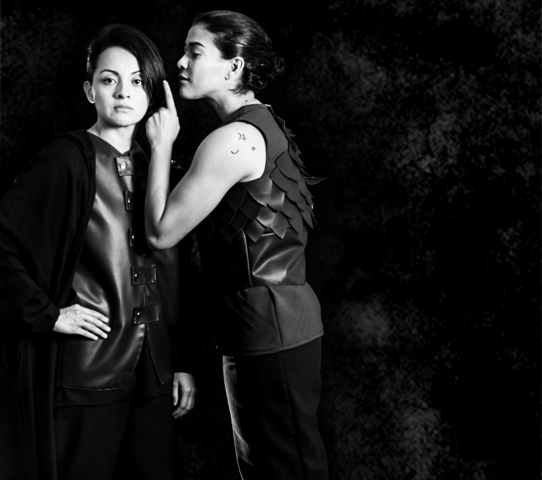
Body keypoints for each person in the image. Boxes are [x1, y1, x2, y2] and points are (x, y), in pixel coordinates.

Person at [0, 24, 196, 480]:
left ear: (152, 93)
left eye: (137, 81)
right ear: (90, 90)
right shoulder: (65, 160)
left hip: (156, 376)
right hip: (86, 373)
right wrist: (47, 313)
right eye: (109, 80)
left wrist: (182, 362)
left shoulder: (160, 167)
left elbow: (178, 274)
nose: (124, 92)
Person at [144, 10, 328, 480]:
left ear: (234, 67)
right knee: (278, 464)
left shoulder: (233, 140)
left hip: (266, 328)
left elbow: (160, 232)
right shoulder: (264, 125)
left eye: (195, 52)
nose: (180, 62)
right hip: (273, 325)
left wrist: (162, 145)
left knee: (280, 467)